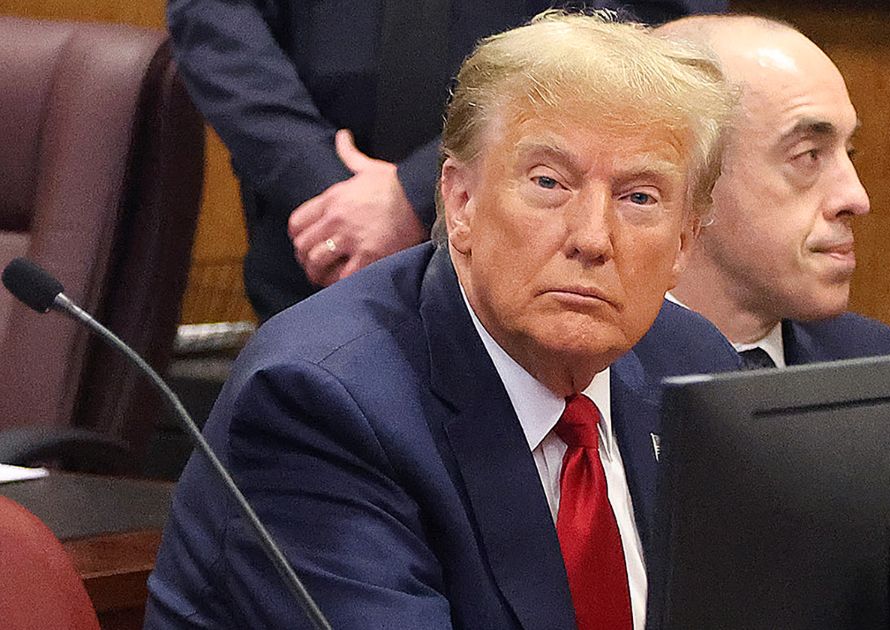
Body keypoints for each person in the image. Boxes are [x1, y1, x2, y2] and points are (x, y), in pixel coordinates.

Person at [146, 12, 738, 630]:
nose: (592, 238)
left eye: (639, 197)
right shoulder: (322, 404)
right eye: (549, 183)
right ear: (460, 202)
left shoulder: (694, 372)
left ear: (684, 243)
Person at [167, 0, 727, 321]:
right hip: (313, 243)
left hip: (551, 226)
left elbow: (653, 28)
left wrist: (417, 191)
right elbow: (218, 21)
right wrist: (321, 186)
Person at [656, 15, 890, 369]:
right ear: (688, 175)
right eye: (809, 155)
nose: (857, 198)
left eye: (849, 153)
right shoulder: (595, 384)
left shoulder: (885, 367)